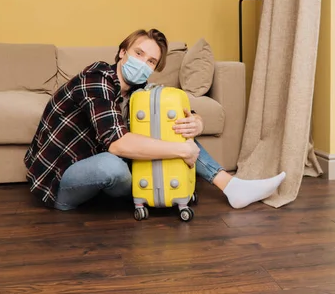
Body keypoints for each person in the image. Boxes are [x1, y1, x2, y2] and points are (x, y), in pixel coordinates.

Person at [24, 29, 286, 211]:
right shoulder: (98, 77)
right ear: (121, 52)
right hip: (59, 182)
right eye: (138, 54)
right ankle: (155, 189)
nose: (143, 64)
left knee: (164, 129)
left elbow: (174, 114)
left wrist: (196, 122)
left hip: (94, 175)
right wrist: (182, 150)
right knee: (112, 166)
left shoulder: (139, 92)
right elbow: (117, 144)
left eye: (151, 61)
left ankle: (231, 187)